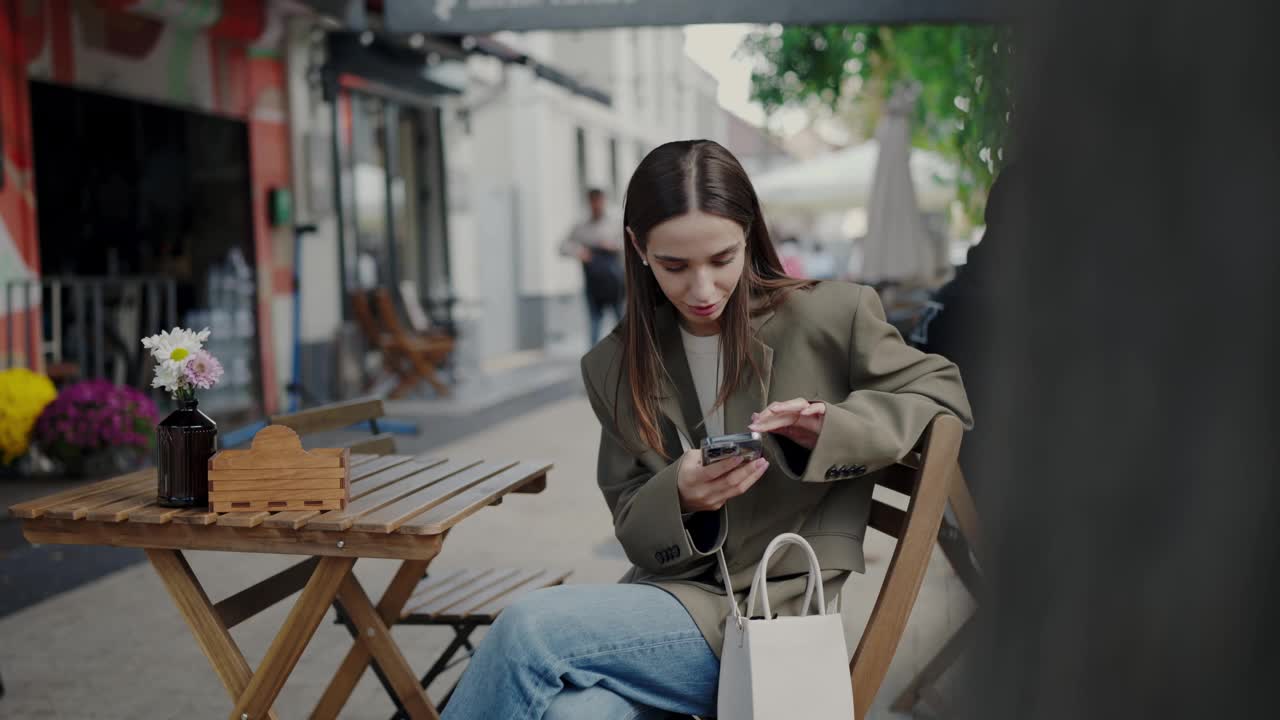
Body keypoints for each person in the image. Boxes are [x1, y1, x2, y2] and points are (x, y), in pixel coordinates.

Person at [441, 140, 972, 719]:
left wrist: (833, 430)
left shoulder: (830, 316)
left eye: (721, 259)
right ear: (639, 250)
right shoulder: (616, 366)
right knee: (577, 715)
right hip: (669, 604)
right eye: (674, 266)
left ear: (749, 234)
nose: (701, 289)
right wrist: (681, 496)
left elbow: (944, 392)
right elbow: (632, 526)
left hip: (776, 618)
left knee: (526, 630)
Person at [561, 187, 625, 346]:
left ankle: (627, 354)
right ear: (589, 203)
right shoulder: (582, 227)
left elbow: (630, 243)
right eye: (593, 201)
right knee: (595, 321)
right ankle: (595, 359)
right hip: (593, 282)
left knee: (621, 319)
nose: (596, 205)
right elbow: (563, 246)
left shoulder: (614, 224)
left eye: (599, 201)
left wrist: (613, 246)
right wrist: (580, 252)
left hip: (614, 280)